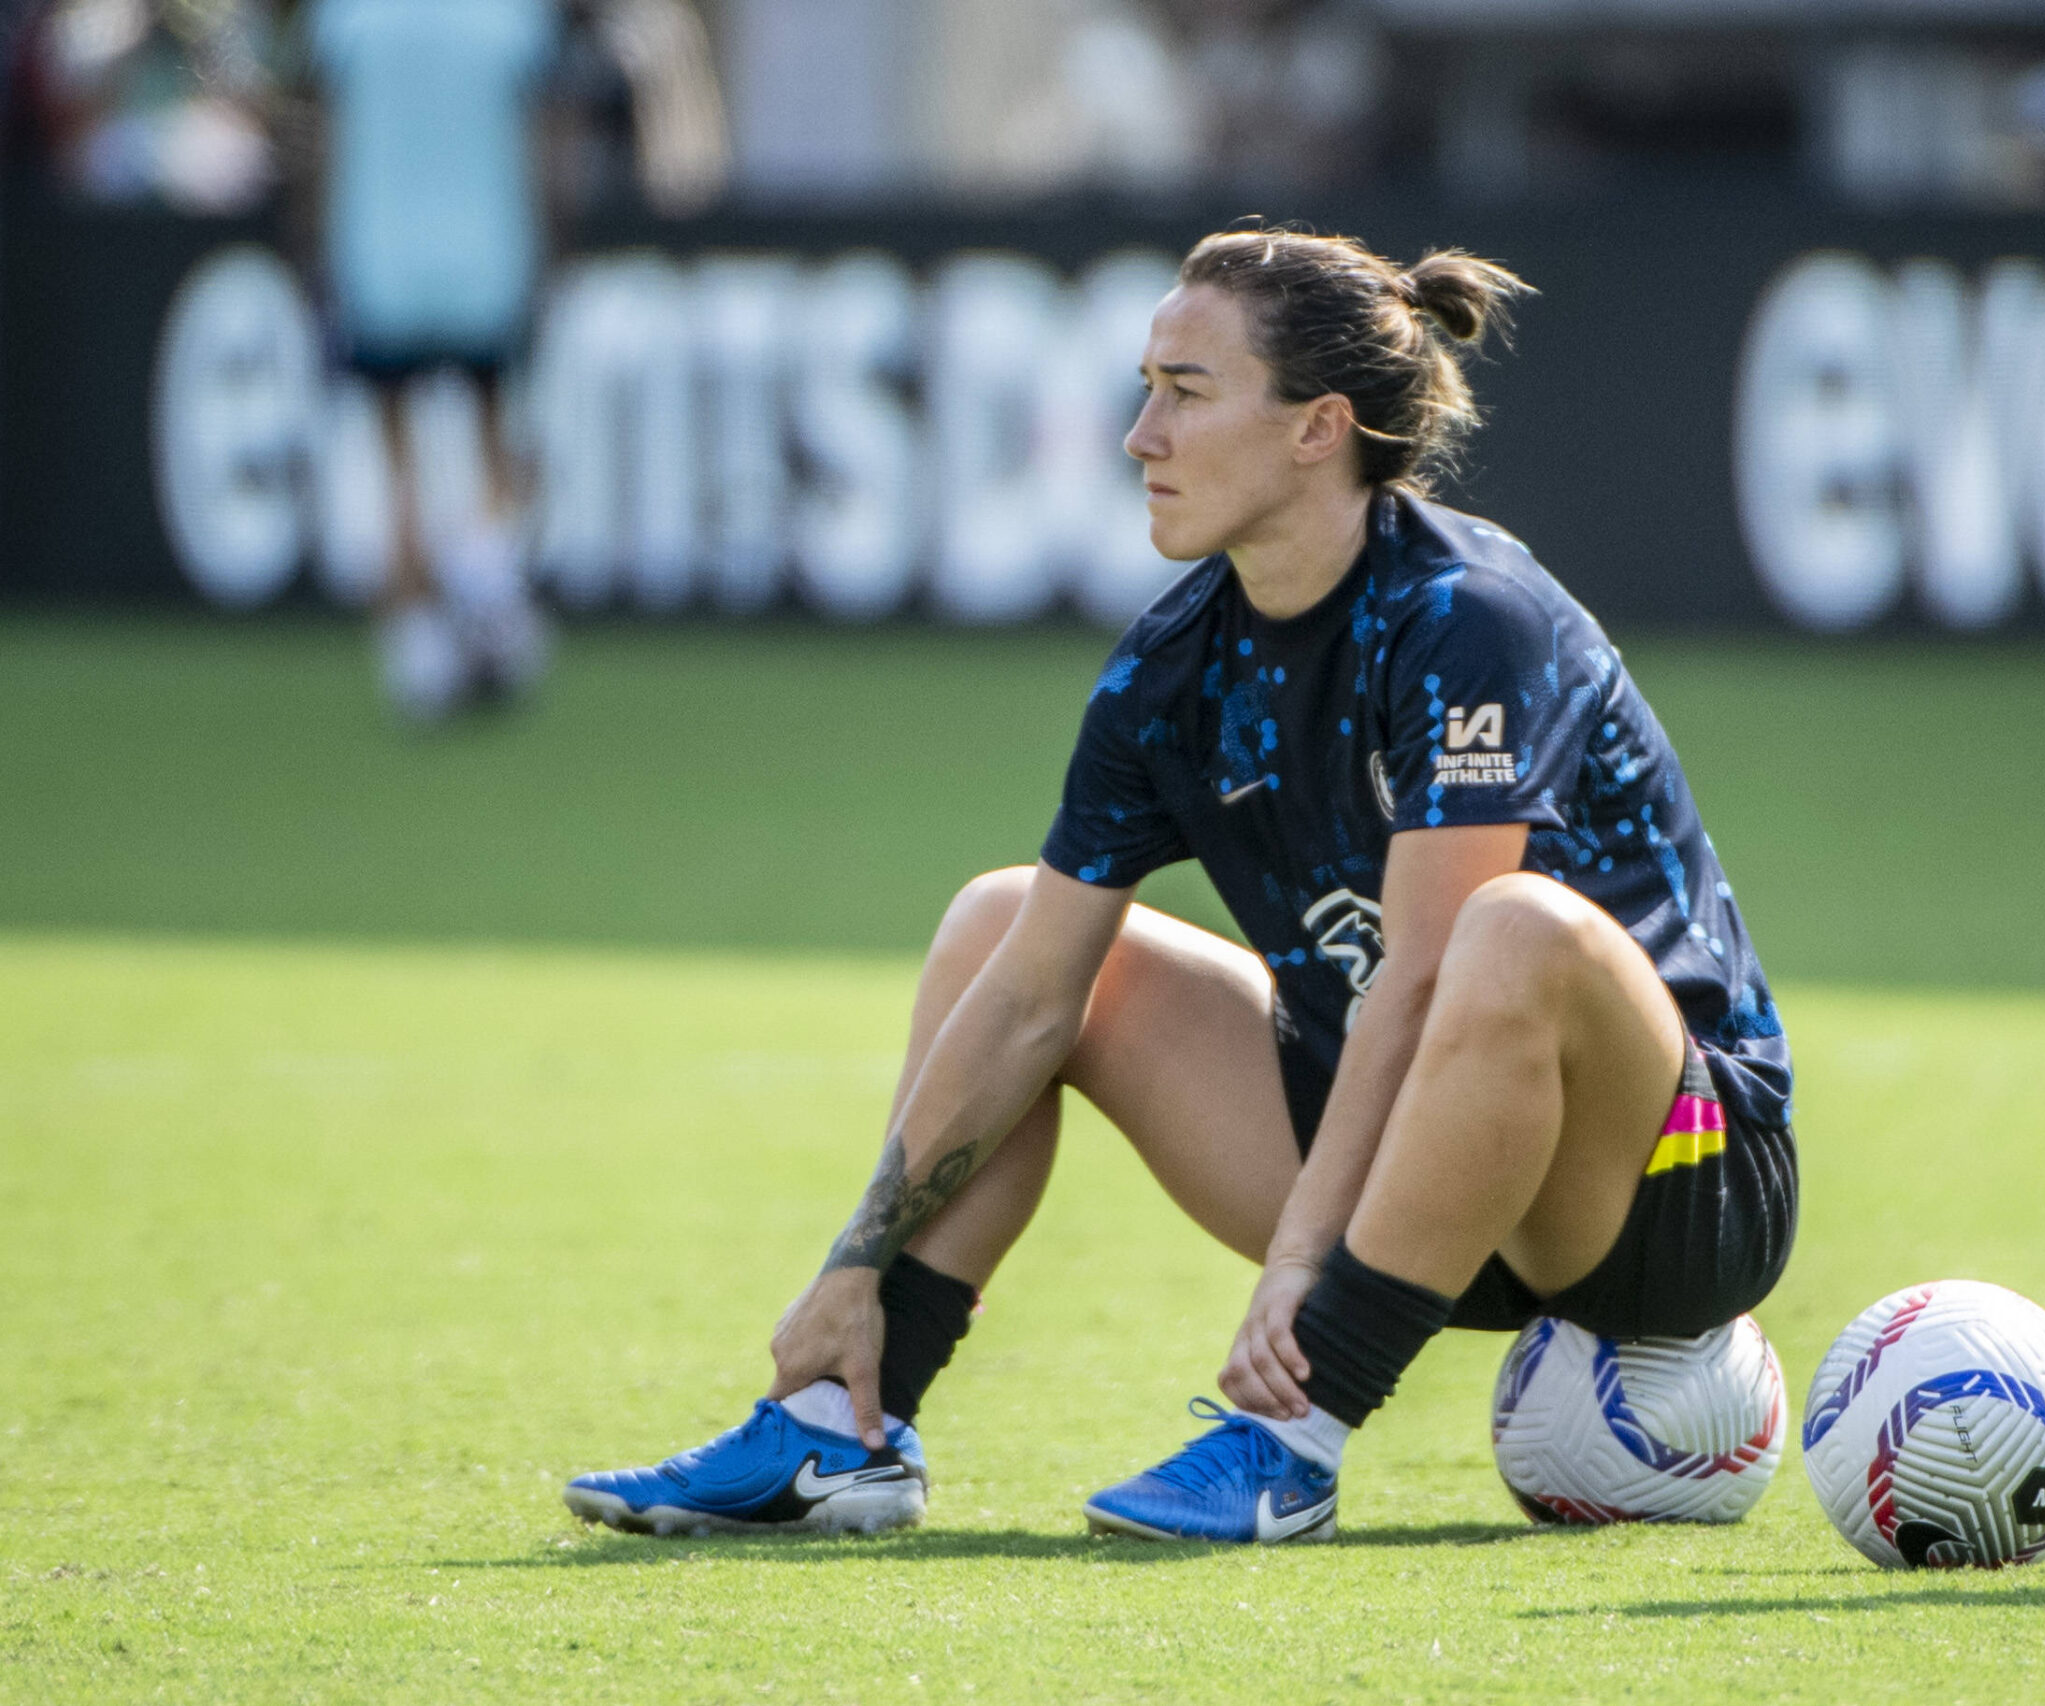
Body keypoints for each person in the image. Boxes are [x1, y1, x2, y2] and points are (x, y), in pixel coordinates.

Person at [561, 228, 1798, 1543]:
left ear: (1320, 428)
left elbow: (1429, 975)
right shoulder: (1169, 671)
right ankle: (838, 1430)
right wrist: (852, 1261)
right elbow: (1035, 994)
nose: (1141, 434)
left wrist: (1304, 1263)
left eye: (1187, 392)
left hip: (1669, 1185)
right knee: (1002, 925)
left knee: (1512, 931)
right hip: (1403, 1168)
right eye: (1147, 387)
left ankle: (1290, 1438)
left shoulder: (1469, 616)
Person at [306, 0, 558, 722]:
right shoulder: (511, 15)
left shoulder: (350, 16)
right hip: (488, 254)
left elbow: (322, 135)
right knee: (490, 438)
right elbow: (542, 133)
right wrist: (554, 245)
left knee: (396, 459)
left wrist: (313, 245)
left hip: (379, 256)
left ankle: (422, 654)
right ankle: (483, 584)